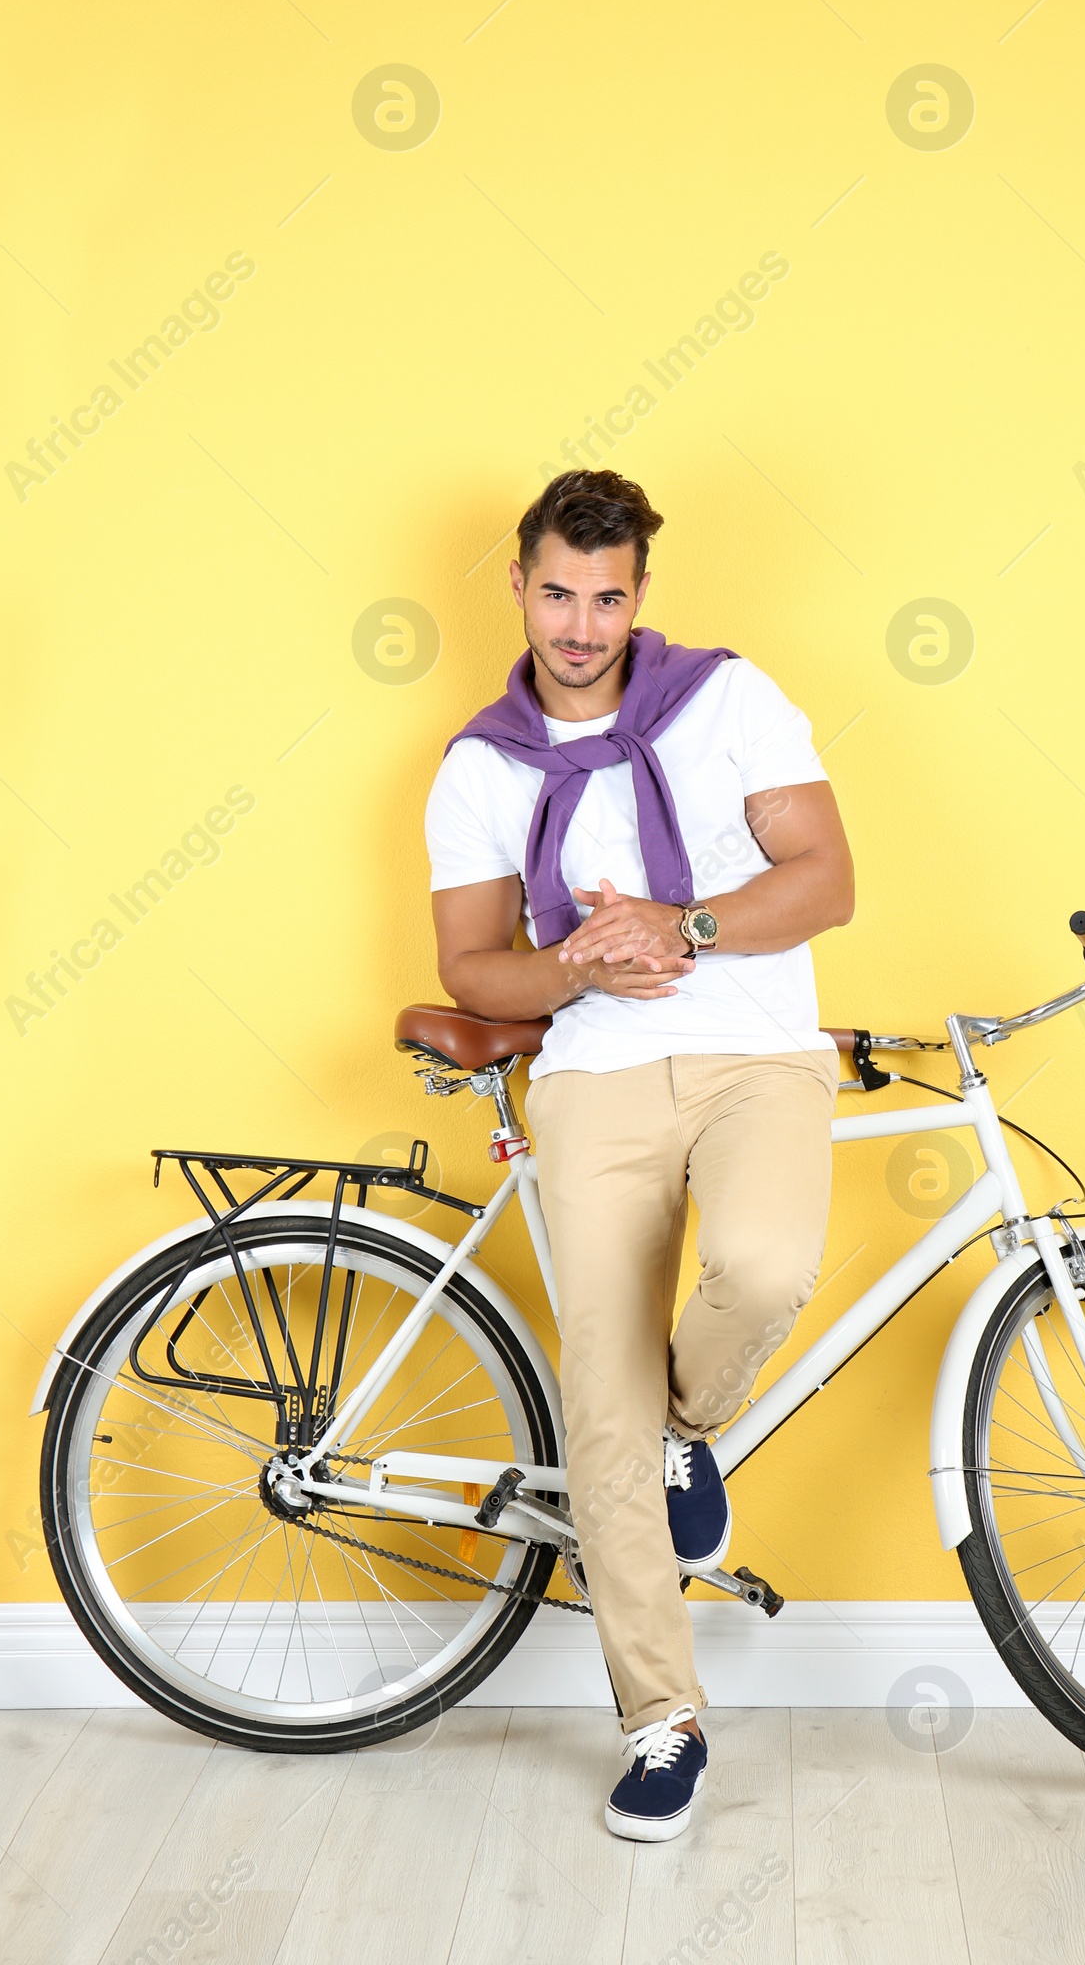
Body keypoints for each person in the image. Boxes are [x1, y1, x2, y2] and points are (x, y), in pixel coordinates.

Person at [423, 468, 853, 1840]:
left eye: (609, 596)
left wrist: (684, 926)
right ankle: (662, 1720)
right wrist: (574, 961)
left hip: (757, 1057)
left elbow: (827, 881)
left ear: (640, 595)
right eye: (559, 590)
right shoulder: (481, 766)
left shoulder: (731, 700)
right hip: (593, 1078)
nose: (583, 624)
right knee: (596, 1413)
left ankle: (690, 1429)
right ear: (520, 584)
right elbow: (476, 973)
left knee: (764, 1263)